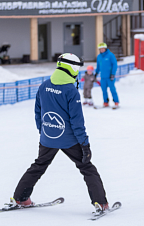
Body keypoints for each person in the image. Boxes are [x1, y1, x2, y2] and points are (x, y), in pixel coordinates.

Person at [6, 53, 109, 214]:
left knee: (38, 166)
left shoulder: (44, 85)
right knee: (87, 168)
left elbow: (38, 113)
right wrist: (85, 144)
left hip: (48, 138)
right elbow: (77, 122)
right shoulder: (70, 91)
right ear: (72, 68)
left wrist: (44, 132)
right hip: (69, 140)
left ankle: (20, 198)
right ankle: (100, 203)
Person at [95, 42, 119, 108]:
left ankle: (116, 102)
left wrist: (113, 74)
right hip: (103, 77)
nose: (102, 50)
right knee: (104, 90)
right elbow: (98, 66)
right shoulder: (99, 56)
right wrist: (96, 73)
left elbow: (114, 64)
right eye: (100, 49)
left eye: (103, 48)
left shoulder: (110, 55)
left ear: (105, 48)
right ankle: (105, 102)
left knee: (112, 89)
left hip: (110, 76)